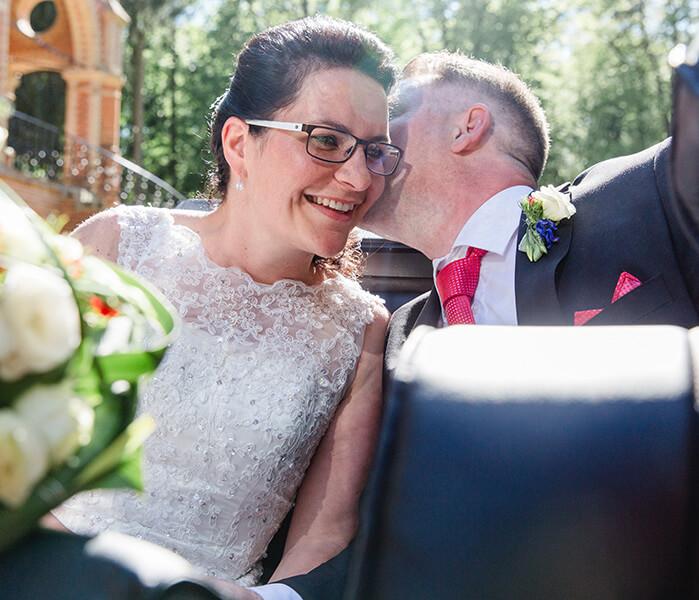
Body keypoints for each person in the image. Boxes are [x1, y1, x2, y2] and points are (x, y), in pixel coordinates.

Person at [246, 50, 699, 600]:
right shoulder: (396, 340)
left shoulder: (642, 194)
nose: (367, 142)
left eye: (392, 114)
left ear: (468, 127)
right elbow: (379, 532)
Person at [50, 15, 400, 588]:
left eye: (376, 151)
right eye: (327, 141)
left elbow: (324, 533)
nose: (360, 179)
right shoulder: (117, 247)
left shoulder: (361, 329)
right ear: (240, 142)